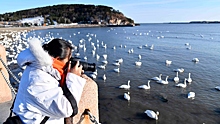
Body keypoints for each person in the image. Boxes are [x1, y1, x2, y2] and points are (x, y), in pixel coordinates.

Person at [13, 38, 86, 124]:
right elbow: (66, 109)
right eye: (68, 60)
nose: (69, 64)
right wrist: (74, 78)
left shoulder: (40, 68)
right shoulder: (37, 79)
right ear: (57, 59)